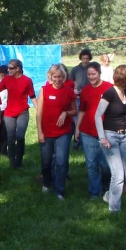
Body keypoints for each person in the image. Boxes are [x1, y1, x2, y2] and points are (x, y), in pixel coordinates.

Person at [94, 65, 126, 213]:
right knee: (118, 174)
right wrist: (102, 137)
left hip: (124, 136)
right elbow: (98, 115)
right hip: (110, 137)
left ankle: (110, 195)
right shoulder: (109, 93)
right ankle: (114, 209)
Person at [36, 64, 77, 200]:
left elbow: (74, 110)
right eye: (55, 77)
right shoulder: (44, 90)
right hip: (47, 132)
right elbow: (39, 112)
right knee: (46, 161)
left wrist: (65, 113)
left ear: (64, 77)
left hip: (63, 132)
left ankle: (59, 190)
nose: (58, 80)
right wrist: (39, 132)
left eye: (60, 77)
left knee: (61, 161)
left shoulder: (68, 91)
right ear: (50, 77)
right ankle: (47, 183)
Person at [75, 62, 111, 200]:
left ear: (99, 73)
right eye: (89, 74)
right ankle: (94, 192)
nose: (91, 77)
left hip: (105, 131)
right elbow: (82, 110)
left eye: (93, 74)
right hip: (87, 131)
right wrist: (77, 128)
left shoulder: (109, 88)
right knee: (91, 163)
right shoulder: (85, 91)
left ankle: (106, 187)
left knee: (105, 164)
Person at [0, 59, 36, 169]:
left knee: (20, 136)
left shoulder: (27, 80)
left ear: (18, 68)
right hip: (9, 113)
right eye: (8, 68)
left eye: (11, 68)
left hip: (23, 112)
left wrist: (40, 110)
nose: (8, 70)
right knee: (10, 137)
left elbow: (32, 96)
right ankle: (12, 161)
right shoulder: (7, 80)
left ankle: (19, 160)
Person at [70, 49, 92, 148]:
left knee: (87, 119)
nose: (85, 60)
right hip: (78, 97)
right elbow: (70, 83)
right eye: (84, 58)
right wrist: (74, 90)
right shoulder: (75, 69)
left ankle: (85, 140)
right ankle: (76, 140)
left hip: (89, 97)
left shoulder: (92, 69)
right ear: (81, 58)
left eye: (87, 58)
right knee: (77, 119)